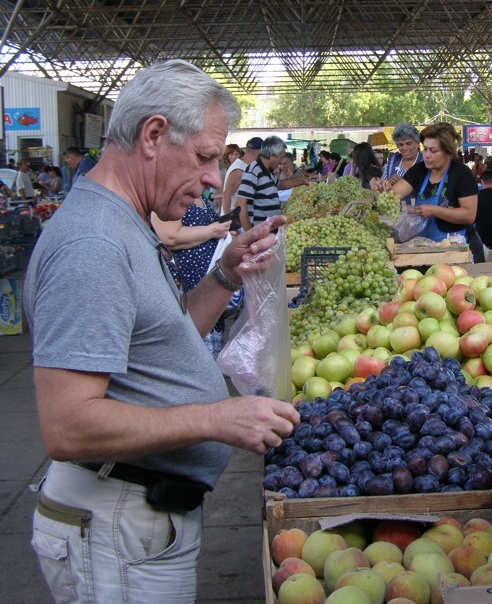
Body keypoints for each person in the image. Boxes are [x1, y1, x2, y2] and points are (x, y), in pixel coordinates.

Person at [25, 59, 299, 602]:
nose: (211, 179)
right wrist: (216, 417)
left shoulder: (125, 223)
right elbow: (67, 425)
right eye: (203, 157)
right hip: (116, 528)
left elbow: (163, 340)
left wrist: (226, 273)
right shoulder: (94, 245)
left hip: (136, 524)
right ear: (153, 135)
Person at [375, 122, 483, 260]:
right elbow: (393, 195)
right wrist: (384, 187)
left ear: (448, 153)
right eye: (425, 149)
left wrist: (433, 210)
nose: (427, 155)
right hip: (429, 248)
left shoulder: (461, 174)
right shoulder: (419, 170)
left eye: (433, 150)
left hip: (459, 248)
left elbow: (468, 215)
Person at [151, 197, 241, 359]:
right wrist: (212, 231)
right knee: (192, 354)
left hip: (205, 295)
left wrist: (222, 234)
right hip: (189, 292)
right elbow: (168, 236)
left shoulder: (198, 197)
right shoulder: (172, 194)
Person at [234, 135, 288, 231]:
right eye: (281, 157)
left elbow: (280, 184)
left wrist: (302, 180)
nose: (281, 161)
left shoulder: (268, 171)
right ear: (271, 156)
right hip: (258, 233)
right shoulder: (253, 172)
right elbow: (240, 204)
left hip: (267, 232)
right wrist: (250, 234)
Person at [219, 137, 262, 216]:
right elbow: (227, 194)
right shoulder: (239, 168)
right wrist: (228, 218)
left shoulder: (246, 166)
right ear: (259, 152)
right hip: (233, 216)